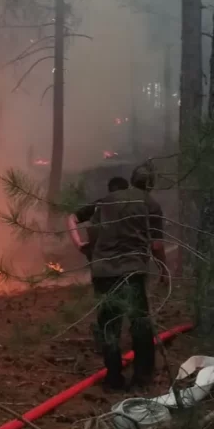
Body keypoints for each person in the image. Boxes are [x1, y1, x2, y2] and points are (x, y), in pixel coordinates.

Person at [67, 166, 166, 391]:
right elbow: (157, 245)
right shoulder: (151, 205)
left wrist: (80, 245)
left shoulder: (106, 201)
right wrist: (164, 270)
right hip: (132, 271)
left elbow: (72, 217)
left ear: (132, 181)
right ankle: (142, 379)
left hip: (103, 272)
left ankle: (114, 378)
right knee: (139, 323)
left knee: (109, 325)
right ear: (150, 185)